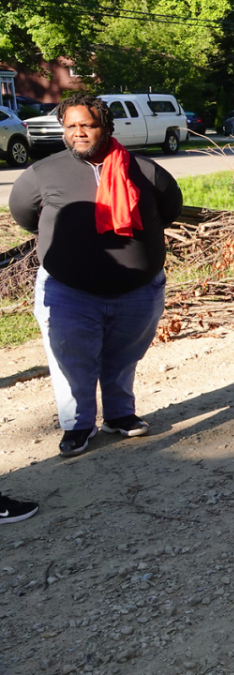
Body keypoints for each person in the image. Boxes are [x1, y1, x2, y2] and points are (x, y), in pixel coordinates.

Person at [9, 94, 181, 457]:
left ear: (106, 127)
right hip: (68, 291)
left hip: (138, 291)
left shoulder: (144, 169)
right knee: (71, 360)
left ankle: (119, 415)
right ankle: (79, 425)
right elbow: (25, 215)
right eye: (70, 126)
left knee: (123, 357)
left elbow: (169, 209)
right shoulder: (44, 172)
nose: (78, 133)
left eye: (87, 125)